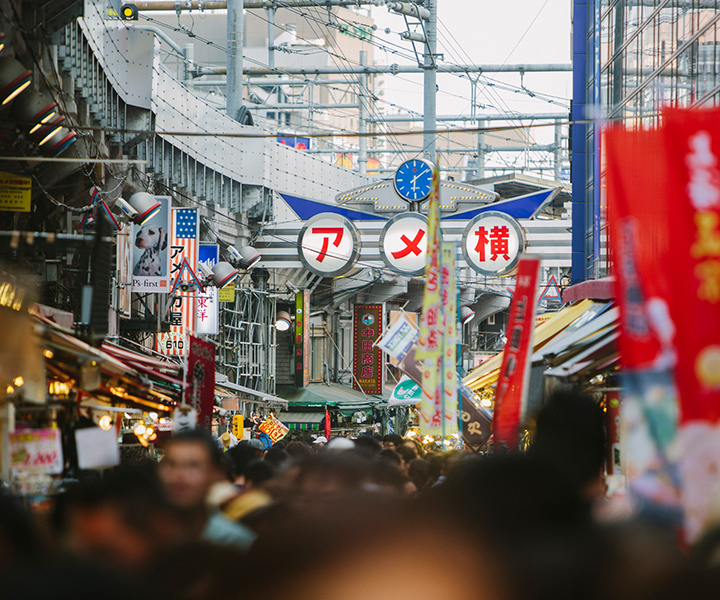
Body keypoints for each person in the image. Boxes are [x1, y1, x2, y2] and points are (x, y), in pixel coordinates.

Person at [157, 429, 255, 551]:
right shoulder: (144, 540)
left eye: (193, 466)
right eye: (171, 464)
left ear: (217, 473)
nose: (179, 476)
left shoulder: (236, 542)